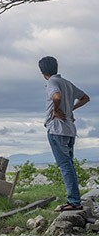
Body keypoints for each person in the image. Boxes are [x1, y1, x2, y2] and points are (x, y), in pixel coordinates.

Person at [39, 56, 90, 212]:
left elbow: (56, 96)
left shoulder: (52, 83)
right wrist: (70, 110)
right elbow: (85, 98)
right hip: (69, 129)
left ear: (42, 71)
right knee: (69, 165)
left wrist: (56, 109)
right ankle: (75, 199)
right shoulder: (67, 83)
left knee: (65, 165)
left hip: (57, 129)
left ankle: (74, 201)